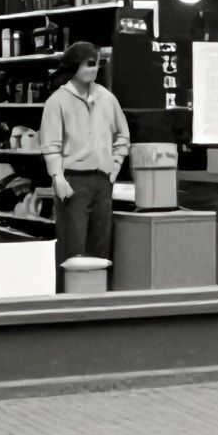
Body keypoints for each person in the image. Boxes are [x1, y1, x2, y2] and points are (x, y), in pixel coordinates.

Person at [40, 42, 131, 269]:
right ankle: (70, 298)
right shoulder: (58, 101)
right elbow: (51, 143)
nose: (94, 69)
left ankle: (97, 296)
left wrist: (115, 166)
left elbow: (123, 136)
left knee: (101, 246)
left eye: (97, 64)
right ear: (75, 66)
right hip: (73, 180)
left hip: (103, 180)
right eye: (89, 64)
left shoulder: (107, 99)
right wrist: (57, 177)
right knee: (73, 248)